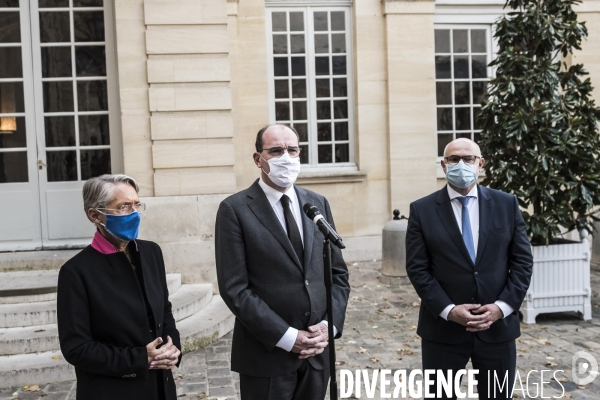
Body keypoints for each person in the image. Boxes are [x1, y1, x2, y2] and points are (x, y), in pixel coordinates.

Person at [215, 124, 350, 400]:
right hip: (267, 357)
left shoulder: (317, 203)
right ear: (258, 159)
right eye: (276, 151)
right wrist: (288, 337)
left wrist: (328, 327)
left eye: (292, 150)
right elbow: (235, 289)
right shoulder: (235, 210)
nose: (286, 157)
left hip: (317, 355)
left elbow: (337, 275)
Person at [405, 138, 533, 399]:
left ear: (480, 163)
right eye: (453, 159)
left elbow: (522, 262)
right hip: (443, 332)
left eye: (468, 159)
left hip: (497, 331)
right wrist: (449, 311)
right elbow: (418, 269)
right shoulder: (422, 210)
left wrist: (502, 308)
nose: (461, 164)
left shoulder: (506, 204)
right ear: (443, 165)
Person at [57, 174, 182, 400]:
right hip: (112, 391)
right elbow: (76, 348)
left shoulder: (151, 252)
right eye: (123, 207)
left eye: (136, 205)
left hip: (161, 389)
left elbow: (164, 310)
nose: (133, 213)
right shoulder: (75, 272)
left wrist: (173, 347)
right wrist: (138, 358)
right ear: (95, 215)